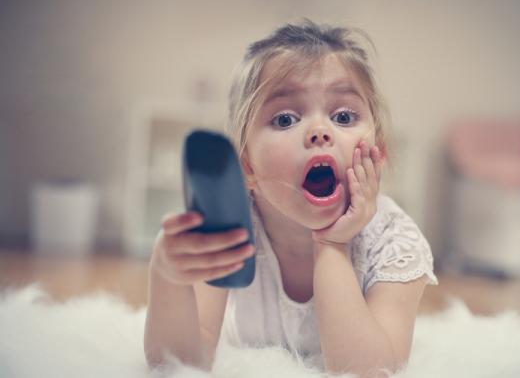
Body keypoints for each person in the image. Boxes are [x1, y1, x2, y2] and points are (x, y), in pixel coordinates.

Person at [144, 20, 438, 378]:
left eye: (343, 116)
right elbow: (180, 364)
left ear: (379, 151)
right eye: (285, 119)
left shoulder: (394, 243)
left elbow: (370, 372)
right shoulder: (228, 230)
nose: (319, 132)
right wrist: (167, 278)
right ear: (246, 166)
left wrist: (331, 244)